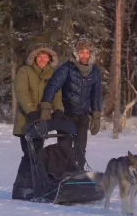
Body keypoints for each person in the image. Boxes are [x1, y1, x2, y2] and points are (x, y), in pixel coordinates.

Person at [40, 38, 102, 170]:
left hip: (83, 116)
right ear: (76, 53)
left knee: (80, 149)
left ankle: (78, 176)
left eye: (87, 52)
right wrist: (46, 108)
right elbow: (52, 86)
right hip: (66, 115)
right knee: (64, 149)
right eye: (81, 52)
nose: (84, 55)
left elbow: (96, 94)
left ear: (91, 54)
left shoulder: (95, 72)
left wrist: (96, 116)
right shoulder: (66, 68)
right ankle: (61, 177)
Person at [12, 44, 64, 200]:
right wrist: (31, 111)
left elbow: (56, 94)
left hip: (43, 120)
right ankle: (21, 188)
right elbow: (21, 93)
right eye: (40, 56)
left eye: (45, 57)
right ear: (35, 57)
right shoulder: (24, 71)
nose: (42, 59)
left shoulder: (52, 74)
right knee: (29, 154)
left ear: (49, 59)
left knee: (37, 153)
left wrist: (59, 109)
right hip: (27, 120)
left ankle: (34, 186)